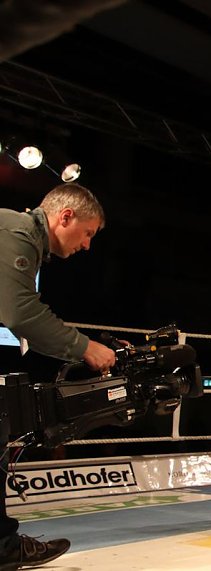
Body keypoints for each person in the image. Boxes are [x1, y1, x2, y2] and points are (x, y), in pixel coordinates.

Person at [0, 182, 116, 570]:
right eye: (88, 233)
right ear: (65, 216)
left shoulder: (22, 237)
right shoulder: (17, 234)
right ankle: (4, 546)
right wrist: (85, 347)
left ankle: (3, 542)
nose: (87, 245)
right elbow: (20, 313)